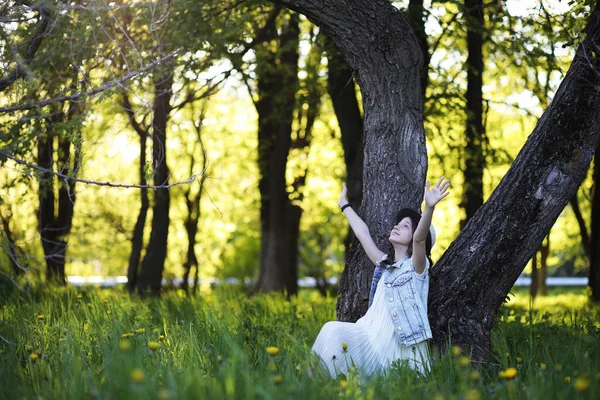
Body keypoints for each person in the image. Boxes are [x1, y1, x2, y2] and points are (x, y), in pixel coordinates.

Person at [311, 176, 451, 379]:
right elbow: (362, 234)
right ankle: (307, 387)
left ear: (414, 239)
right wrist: (344, 205)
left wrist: (429, 207)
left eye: (405, 226)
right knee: (331, 331)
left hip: (400, 346)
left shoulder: (417, 267)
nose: (396, 227)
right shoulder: (385, 265)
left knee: (333, 332)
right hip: (371, 336)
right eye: (397, 224)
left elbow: (420, 238)